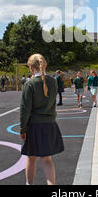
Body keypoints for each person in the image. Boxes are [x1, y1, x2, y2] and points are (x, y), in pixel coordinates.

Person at [20, 54, 64, 185]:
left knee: (31, 157)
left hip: (34, 125)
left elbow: (25, 109)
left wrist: (22, 128)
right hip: (50, 124)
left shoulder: (30, 84)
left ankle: (29, 184)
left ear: (31, 68)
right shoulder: (53, 82)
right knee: (47, 160)